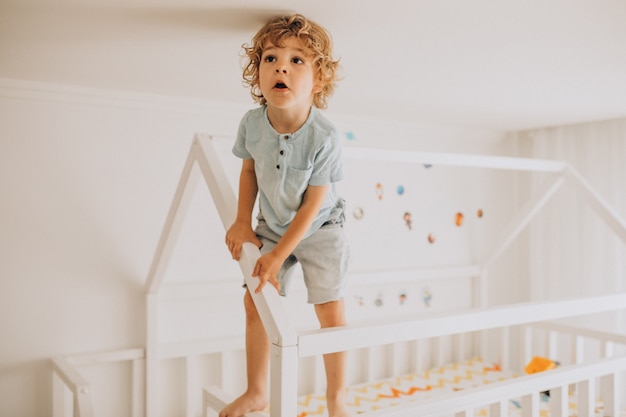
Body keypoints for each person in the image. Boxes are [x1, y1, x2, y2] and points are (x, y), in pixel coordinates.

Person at [220, 13, 351, 417]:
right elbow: (247, 170)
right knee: (255, 303)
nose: (281, 66)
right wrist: (244, 221)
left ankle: (337, 399)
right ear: (257, 74)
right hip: (272, 225)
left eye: (297, 60)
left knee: (330, 309)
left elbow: (313, 206)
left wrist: (278, 256)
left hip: (322, 228)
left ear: (319, 79)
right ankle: (256, 390)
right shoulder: (252, 124)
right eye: (271, 58)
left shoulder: (325, 136)